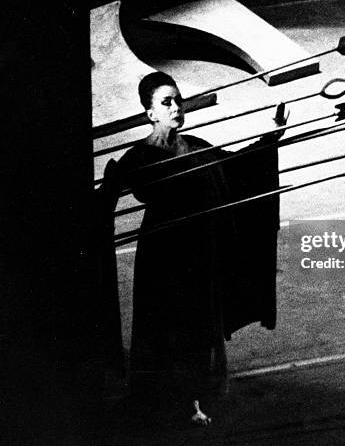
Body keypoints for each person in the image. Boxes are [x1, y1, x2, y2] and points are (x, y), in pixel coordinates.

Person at [111, 71, 288, 426]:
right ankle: (171, 400)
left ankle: (194, 398)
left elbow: (236, 166)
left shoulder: (194, 144)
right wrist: (139, 163)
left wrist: (271, 137)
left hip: (200, 256)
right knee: (171, 326)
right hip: (165, 257)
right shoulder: (141, 155)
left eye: (177, 100)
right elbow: (137, 188)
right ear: (150, 113)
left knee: (198, 327)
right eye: (166, 102)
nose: (176, 107)